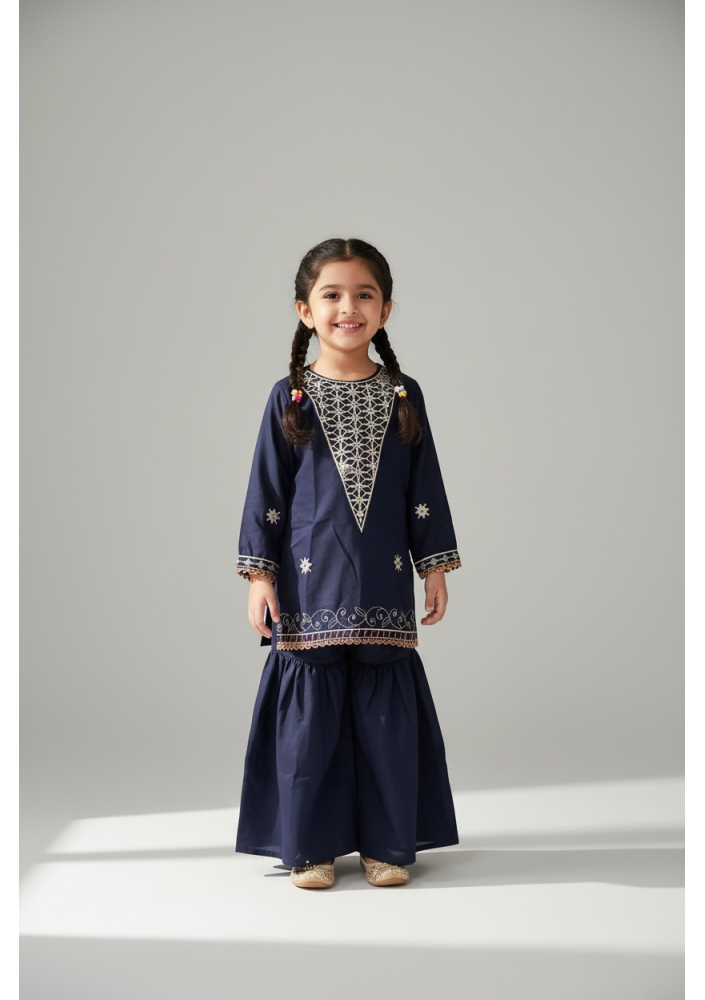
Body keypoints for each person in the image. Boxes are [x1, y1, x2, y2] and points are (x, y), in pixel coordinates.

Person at [234, 237, 462, 889]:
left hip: (385, 579)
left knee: (384, 715)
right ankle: (309, 848)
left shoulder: (403, 394)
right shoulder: (290, 397)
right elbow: (266, 492)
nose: (348, 307)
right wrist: (259, 577)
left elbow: (423, 489)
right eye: (331, 295)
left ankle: (386, 846)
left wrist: (433, 566)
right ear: (305, 311)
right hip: (308, 587)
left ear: (385, 309)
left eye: (364, 295)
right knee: (310, 720)